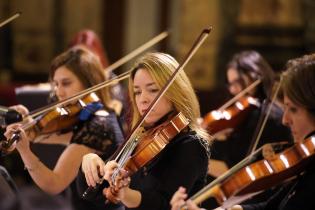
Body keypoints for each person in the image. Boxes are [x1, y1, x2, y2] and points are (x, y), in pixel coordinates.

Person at [170, 53, 315, 210]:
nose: (285, 120)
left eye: (293, 109)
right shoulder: (243, 117)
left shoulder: (267, 118)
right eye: (230, 84)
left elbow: (235, 168)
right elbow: (269, 207)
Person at [80, 52, 212, 210]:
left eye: (153, 90)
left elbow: (165, 204)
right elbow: (95, 195)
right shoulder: (140, 136)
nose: (143, 99)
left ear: (176, 92)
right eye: (137, 92)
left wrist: (126, 195)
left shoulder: (192, 145)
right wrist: (90, 162)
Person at [4, 46, 125, 210]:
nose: (59, 92)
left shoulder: (98, 125)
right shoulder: (88, 116)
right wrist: (25, 120)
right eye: (56, 84)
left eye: (66, 83)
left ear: (89, 83)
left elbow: (54, 184)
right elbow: (35, 134)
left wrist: (25, 152)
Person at [207, 50, 292, 178]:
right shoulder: (246, 114)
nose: (233, 90)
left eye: (238, 82)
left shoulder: (266, 116)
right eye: (230, 84)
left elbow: (231, 170)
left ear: (255, 75)